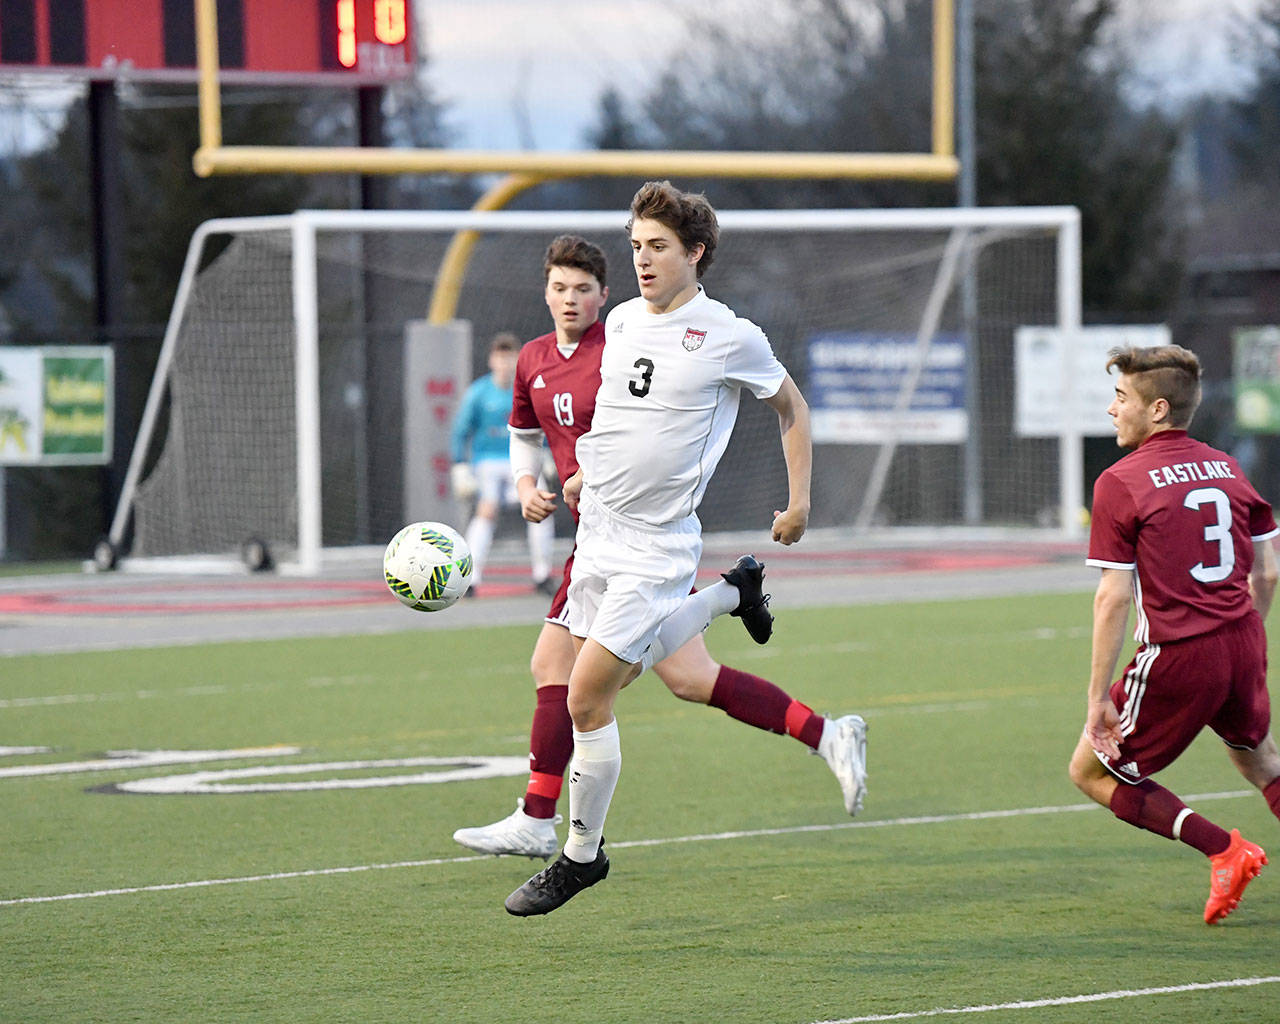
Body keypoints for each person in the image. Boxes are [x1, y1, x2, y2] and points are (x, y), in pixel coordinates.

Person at [452, 234, 868, 866]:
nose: (570, 300)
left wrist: (591, 477)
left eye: (583, 289)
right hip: (597, 535)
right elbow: (525, 434)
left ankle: (541, 822)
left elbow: (651, 429)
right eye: (559, 288)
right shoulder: (538, 358)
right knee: (690, 678)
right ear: (544, 291)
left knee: (561, 672)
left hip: (637, 535)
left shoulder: (622, 342)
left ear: (602, 294)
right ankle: (823, 727)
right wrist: (526, 482)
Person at [1069, 344, 1280, 925]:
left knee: (1089, 770)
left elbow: (1112, 595)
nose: (1112, 410)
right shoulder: (1227, 466)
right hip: (1243, 639)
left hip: (1181, 653)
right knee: (1259, 760)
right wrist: (1242, 640)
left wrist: (1096, 699)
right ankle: (1228, 849)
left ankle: (1225, 850)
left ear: (1157, 409)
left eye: (1121, 398)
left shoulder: (1121, 479)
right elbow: (1269, 570)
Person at [450, 333, 554, 594]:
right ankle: (470, 578)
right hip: (489, 462)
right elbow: (461, 430)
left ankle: (542, 575)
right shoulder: (479, 392)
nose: (506, 363)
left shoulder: (530, 389)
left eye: (511, 357)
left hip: (524, 460)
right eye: (500, 357)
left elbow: (546, 423)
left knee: (540, 507)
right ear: (491, 360)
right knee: (487, 510)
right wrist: (459, 465)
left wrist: (550, 454)